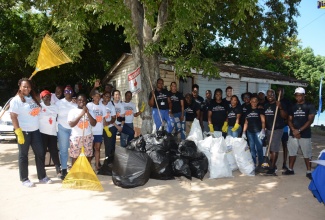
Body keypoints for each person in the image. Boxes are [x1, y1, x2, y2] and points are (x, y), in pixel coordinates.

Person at [9, 78, 52, 187]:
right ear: (20, 87)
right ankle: (24, 179)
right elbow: (13, 116)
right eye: (24, 86)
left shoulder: (33, 98)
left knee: (40, 153)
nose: (26, 88)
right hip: (24, 131)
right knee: (23, 155)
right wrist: (18, 132)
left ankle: (42, 176)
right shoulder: (16, 100)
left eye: (28, 86)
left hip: (35, 130)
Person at [284, 87, 316, 180]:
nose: (298, 97)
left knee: (307, 153)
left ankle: (309, 171)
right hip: (293, 133)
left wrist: (299, 130)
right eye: (296, 95)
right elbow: (289, 120)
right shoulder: (292, 106)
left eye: (300, 95)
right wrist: (294, 130)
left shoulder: (310, 106)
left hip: (305, 134)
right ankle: (290, 169)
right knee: (292, 152)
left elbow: (310, 120)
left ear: (304, 95)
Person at [263, 89, 288, 175]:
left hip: (277, 129)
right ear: (266, 96)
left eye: (272, 95)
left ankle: (272, 168)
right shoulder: (265, 105)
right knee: (270, 149)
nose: (270, 97)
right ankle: (273, 165)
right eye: (269, 95)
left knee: (274, 149)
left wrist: (280, 107)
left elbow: (285, 116)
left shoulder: (279, 104)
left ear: (275, 95)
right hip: (269, 129)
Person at [56, 85, 77, 180]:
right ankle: (64, 170)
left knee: (75, 149)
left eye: (69, 91)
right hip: (62, 128)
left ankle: (75, 169)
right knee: (63, 150)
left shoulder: (75, 104)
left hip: (74, 129)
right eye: (65, 91)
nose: (67, 93)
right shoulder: (59, 103)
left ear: (72, 93)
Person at [68, 94, 96, 165]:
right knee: (75, 156)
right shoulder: (72, 111)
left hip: (87, 136)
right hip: (76, 137)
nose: (82, 102)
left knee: (88, 156)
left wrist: (87, 113)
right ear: (76, 101)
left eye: (84, 101)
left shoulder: (90, 111)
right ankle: (74, 174)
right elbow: (71, 124)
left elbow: (94, 123)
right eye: (80, 100)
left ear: (86, 102)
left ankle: (87, 172)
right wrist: (81, 114)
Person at [39, 90, 61, 176]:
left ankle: (58, 169)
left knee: (54, 151)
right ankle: (42, 170)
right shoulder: (39, 106)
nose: (47, 98)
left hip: (52, 133)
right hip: (42, 133)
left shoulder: (55, 107)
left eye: (49, 96)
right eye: (45, 96)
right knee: (42, 152)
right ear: (42, 98)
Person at [243, 96, 265, 169]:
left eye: (255, 101)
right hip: (250, 132)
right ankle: (253, 164)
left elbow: (263, 121)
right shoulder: (247, 111)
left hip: (258, 132)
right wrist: (243, 132)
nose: (254, 103)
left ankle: (261, 164)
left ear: (257, 102)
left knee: (259, 148)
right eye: (252, 101)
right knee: (252, 148)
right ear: (250, 102)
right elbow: (246, 122)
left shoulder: (260, 110)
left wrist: (263, 130)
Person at [87, 90, 107, 170]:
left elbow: (104, 119)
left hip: (99, 130)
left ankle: (97, 164)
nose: (97, 98)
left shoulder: (103, 107)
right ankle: (88, 165)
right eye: (96, 96)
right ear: (92, 97)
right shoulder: (89, 105)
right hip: (91, 130)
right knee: (90, 148)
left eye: (99, 96)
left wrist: (106, 128)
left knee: (97, 148)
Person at [277, 87, 291, 171]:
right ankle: (273, 162)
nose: (280, 93)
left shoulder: (287, 102)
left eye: (281, 91)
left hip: (285, 126)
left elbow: (290, 113)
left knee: (284, 144)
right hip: (276, 126)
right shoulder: (274, 101)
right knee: (274, 145)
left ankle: (284, 163)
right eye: (278, 91)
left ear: (283, 93)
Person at [101, 91, 116, 158]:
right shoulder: (98, 104)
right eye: (106, 96)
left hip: (109, 127)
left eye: (109, 97)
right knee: (97, 145)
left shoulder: (111, 106)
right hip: (99, 128)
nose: (107, 98)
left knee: (109, 144)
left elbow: (113, 118)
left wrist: (108, 122)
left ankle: (108, 158)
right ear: (103, 96)